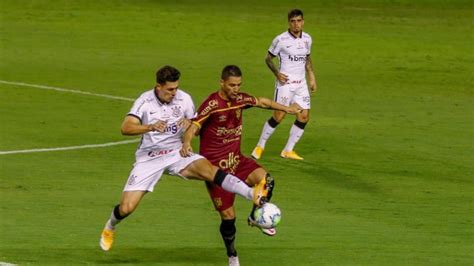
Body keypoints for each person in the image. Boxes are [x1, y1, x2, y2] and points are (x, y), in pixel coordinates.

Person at [99, 65, 271, 252]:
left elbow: (195, 124)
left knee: (209, 170)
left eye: (176, 88)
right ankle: (110, 227)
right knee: (126, 208)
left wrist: (189, 123)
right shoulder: (145, 101)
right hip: (149, 158)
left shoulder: (184, 99)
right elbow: (126, 127)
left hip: (176, 152)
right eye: (170, 89)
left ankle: (250, 194)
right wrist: (150, 127)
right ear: (158, 87)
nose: (174, 93)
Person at [180, 65, 301, 266]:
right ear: (222, 83)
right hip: (216, 170)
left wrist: (287, 109)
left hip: (237, 160)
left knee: (266, 181)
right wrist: (186, 142)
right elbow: (194, 126)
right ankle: (232, 255)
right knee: (229, 218)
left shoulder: (240, 100)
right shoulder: (212, 103)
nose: (236, 89)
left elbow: (262, 102)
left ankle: (255, 216)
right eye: (232, 85)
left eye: (238, 85)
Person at [252, 9, 317, 161]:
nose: (296, 24)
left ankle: (288, 150)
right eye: (293, 21)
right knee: (279, 115)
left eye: (299, 21)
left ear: (303, 22)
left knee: (304, 116)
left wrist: (312, 77)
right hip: (285, 84)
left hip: (301, 84)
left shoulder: (307, 39)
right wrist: (277, 73)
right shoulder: (280, 40)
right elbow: (268, 59)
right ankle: (260, 145)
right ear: (289, 22)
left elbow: (307, 58)